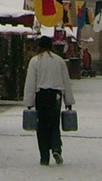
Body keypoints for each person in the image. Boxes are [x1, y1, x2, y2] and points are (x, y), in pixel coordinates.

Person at [23, 35, 75, 165]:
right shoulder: (59, 61)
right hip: (55, 96)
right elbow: (66, 82)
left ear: (39, 46)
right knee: (54, 123)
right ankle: (56, 147)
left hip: (41, 95)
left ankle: (44, 156)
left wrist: (29, 102)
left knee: (42, 125)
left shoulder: (35, 61)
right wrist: (68, 101)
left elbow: (30, 83)